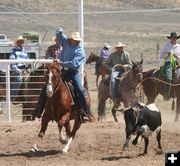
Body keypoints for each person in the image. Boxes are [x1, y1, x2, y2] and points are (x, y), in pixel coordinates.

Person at [31, 28, 89, 122]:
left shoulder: (80, 51)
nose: (77, 42)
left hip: (72, 72)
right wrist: (59, 30)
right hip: (61, 71)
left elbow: (74, 63)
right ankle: (39, 109)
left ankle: (84, 112)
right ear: (72, 39)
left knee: (79, 89)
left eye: (78, 41)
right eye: (76, 40)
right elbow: (59, 36)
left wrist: (62, 63)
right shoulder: (66, 42)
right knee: (47, 86)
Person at [104, 41, 132, 106]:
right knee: (113, 81)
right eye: (118, 48)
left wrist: (126, 66)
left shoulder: (126, 54)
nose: (120, 49)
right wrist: (112, 68)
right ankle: (115, 99)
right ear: (116, 48)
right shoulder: (112, 55)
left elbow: (130, 64)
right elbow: (107, 63)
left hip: (125, 71)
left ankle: (134, 96)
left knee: (133, 79)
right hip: (115, 71)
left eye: (121, 47)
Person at [160, 32, 180, 100]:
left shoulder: (179, 46)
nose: (173, 39)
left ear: (176, 39)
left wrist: (176, 56)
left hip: (176, 63)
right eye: (172, 38)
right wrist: (167, 55)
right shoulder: (166, 46)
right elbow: (161, 56)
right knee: (168, 77)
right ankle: (166, 94)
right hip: (168, 63)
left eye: (175, 38)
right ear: (170, 38)